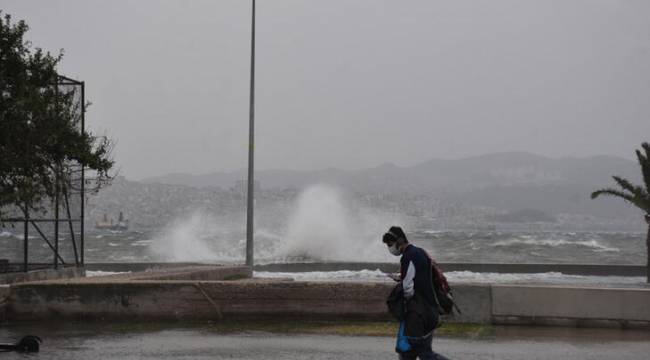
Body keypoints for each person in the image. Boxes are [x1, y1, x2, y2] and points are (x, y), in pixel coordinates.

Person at [383, 226, 451, 360]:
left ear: (400, 241)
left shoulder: (409, 256)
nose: (390, 249)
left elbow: (408, 287)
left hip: (419, 313)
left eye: (391, 245)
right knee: (411, 352)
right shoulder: (421, 252)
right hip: (430, 309)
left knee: (422, 353)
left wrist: (405, 298)